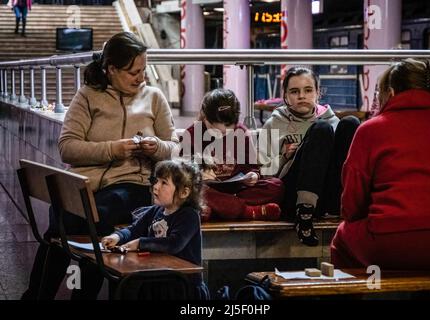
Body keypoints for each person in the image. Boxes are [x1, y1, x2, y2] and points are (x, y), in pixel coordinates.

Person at [22, 32, 179, 300]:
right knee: (68, 217)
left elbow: (174, 147)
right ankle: (42, 295)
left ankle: (43, 296)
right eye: (133, 72)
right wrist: (112, 149)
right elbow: (67, 147)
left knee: (90, 218)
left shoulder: (153, 97)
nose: (141, 78)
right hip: (86, 185)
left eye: (143, 70)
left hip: (134, 185)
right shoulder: (87, 96)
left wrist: (157, 146)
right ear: (111, 70)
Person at [331, 58, 430, 269]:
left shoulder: (371, 129)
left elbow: (353, 202)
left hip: (389, 242)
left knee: (342, 238)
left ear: (392, 93)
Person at [260, 66, 360, 246]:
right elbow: (264, 173)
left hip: (326, 194)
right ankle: (303, 214)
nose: (301, 96)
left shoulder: (332, 121)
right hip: (292, 195)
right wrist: (285, 157)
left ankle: (346, 206)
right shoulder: (273, 123)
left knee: (350, 123)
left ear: (318, 93)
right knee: (321, 129)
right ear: (285, 95)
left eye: (308, 90)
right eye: (294, 91)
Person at [95, 159, 209, 299]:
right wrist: (117, 237)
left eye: (164, 183)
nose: (156, 186)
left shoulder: (189, 216)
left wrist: (140, 243)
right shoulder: (156, 210)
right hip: (158, 279)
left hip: (182, 287)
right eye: (157, 181)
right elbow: (133, 230)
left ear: (184, 192)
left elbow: (173, 244)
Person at [182, 88, 284, 222]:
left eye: (226, 133)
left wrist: (253, 176)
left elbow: (252, 168)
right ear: (204, 117)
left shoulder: (241, 132)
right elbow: (180, 174)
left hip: (235, 190)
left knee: (276, 186)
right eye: (214, 130)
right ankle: (248, 211)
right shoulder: (191, 134)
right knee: (192, 192)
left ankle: (219, 209)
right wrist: (199, 176)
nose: (220, 135)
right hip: (208, 189)